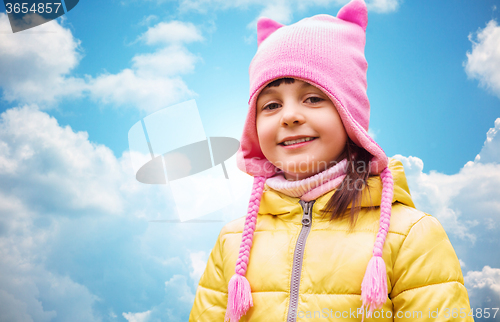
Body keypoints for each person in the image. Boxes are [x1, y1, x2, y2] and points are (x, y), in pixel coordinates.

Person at [189, 0, 473, 321]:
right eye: (270, 105)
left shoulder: (411, 235)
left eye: (313, 98)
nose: (290, 116)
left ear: (349, 115)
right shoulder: (234, 241)